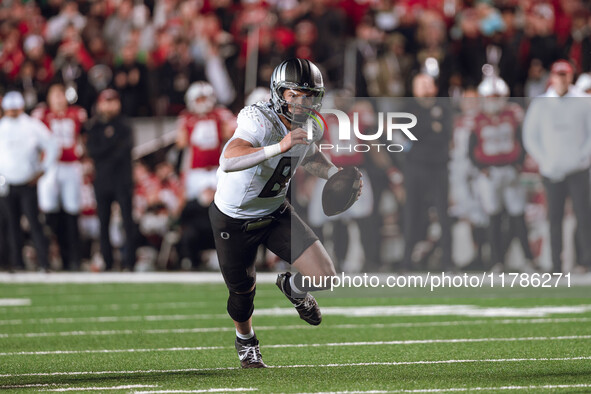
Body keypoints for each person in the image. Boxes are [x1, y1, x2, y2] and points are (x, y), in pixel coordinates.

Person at [209, 58, 359, 368]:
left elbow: (307, 154)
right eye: (295, 94)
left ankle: (293, 288)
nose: (303, 102)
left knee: (325, 276)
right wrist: (279, 146)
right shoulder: (258, 119)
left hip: (276, 210)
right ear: (280, 93)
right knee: (242, 296)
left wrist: (333, 175)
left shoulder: (312, 124)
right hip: (235, 217)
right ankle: (246, 341)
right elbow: (228, 158)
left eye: (310, 95)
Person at [523, 60, 591, 273]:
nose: (562, 79)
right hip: (551, 169)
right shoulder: (540, 103)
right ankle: (555, 263)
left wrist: (583, 158)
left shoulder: (584, 101)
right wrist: (544, 160)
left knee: (584, 215)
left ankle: (586, 261)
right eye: (558, 75)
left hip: (578, 169)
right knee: (554, 218)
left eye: (565, 75)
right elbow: (530, 136)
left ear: (571, 76)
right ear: (551, 77)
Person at [469, 76, 534, 272]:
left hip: (510, 170)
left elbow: (523, 141)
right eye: (490, 96)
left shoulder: (513, 114)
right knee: (494, 218)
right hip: (489, 173)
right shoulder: (477, 119)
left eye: (496, 96)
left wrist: (518, 164)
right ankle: (496, 261)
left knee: (518, 216)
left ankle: (528, 260)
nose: (493, 100)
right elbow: (470, 148)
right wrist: (481, 168)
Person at [176, 81, 235, 269]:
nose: (202, 102)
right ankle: (186, 251)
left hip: (217, 170)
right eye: (198, 98)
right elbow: (180, 142)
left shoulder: (220, 114)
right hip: (196, 172)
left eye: (204, 98)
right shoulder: (186, 118)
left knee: (224, 208)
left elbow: (233, 131)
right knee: (190, 208)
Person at [0, 91, 60, 271]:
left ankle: (44, 262)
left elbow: (52, 146)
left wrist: (43, 170)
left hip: (28, 182)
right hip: (7, 183)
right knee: (11, 225)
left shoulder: (32, 125)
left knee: (34, 223)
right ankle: (16, 263)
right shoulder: (2, 126)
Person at [32, 83, 88, 271]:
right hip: (50, 167)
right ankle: (47, 259)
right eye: (53, 94)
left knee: (72, 212)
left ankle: (73, 259)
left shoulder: (77, 113)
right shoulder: (41, 116)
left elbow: (85, 138)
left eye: (60, 94)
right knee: (49, 213)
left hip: (71, 166)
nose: (57, 98)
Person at [401, 73, 453, 271]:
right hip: (415, 167)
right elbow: (410, 133)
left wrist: (426, 129)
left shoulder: (443, 107)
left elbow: (445, 132)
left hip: (438, 166)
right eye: (420, 85)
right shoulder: (408, 108)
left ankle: (447, 261)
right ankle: (407, 261)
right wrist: (431, 127)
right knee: (411, 213)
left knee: (443, 213)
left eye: (427, 84)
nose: (424, 89)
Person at [85, 89, 137, 271]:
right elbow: (92, 150)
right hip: (102, 180)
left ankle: (130, 261)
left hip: (122, 179)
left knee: (128, 222)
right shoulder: (94, 126)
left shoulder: (125, 125)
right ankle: (107, 261)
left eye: (113, 101)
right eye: (106, 101)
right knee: (103, 222)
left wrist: (105, 149)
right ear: (99, 104)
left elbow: (124, 149)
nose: (110, 105)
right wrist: (111, 145)